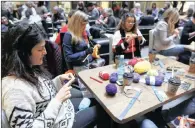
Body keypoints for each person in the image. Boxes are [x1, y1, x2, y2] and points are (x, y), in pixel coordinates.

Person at [1, 22, 109, 128]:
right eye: (40, 49)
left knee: (94, 99)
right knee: (104, 110)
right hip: (61, 122)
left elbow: (39, 94)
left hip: (63, 111)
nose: (45, 52)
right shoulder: (15, 91)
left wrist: (58, 81)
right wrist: (58, 100)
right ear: (22, 53)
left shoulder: (29, 68)